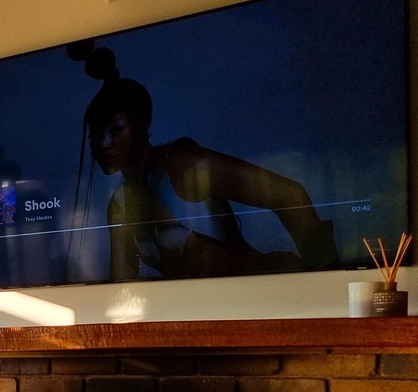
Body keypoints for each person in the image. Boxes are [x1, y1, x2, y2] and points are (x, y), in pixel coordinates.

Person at [72, 42, 337, 281]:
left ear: (141, 126)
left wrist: (323, 282)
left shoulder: (181, 165)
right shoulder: (120, 205)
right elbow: (122, 284)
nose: (102, 143)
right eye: (95, 134)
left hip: (266, 306)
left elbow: (291, 195)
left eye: (115, 130)